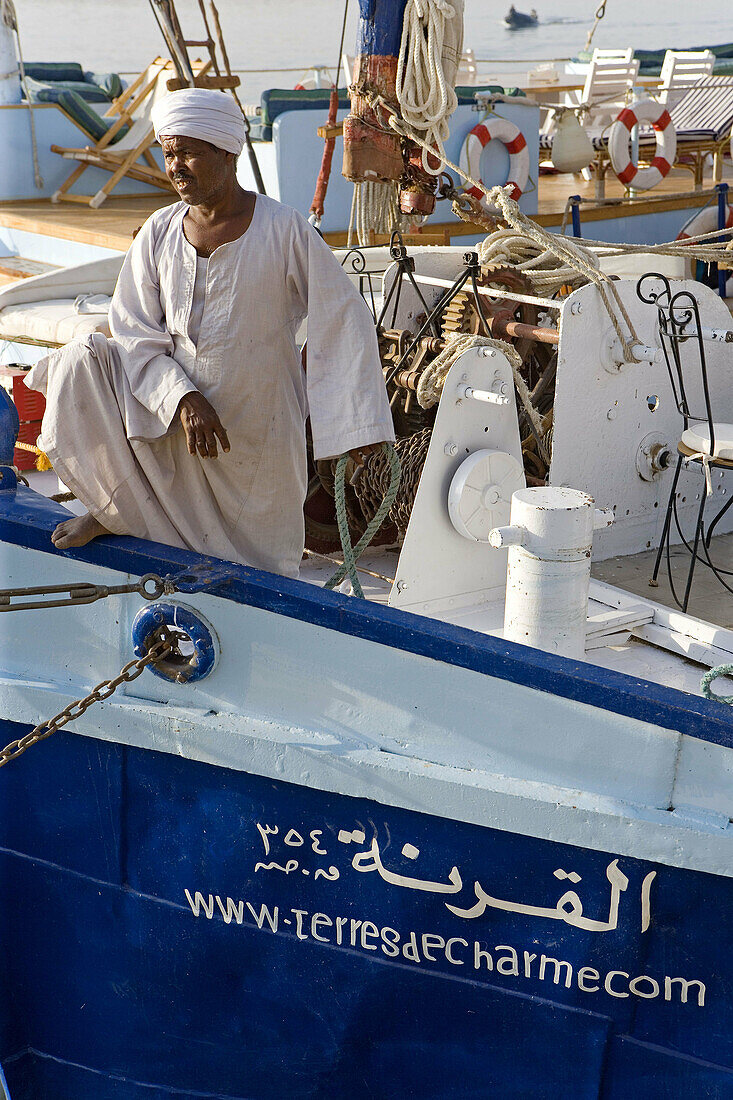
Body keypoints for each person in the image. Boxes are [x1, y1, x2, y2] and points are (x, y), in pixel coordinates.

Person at [26, 89, 394, 578]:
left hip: (254, 424)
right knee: (79, 361)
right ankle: (120, 513)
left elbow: (343, 322)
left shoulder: (284, 230)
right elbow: (134, 332)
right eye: (168, 152)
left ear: (227, 152)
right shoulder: (159, 231)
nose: (175, 165)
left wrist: (354, 430)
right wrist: (182, 398)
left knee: (262, 566)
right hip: (170, 413)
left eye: (188, 152)